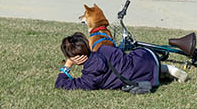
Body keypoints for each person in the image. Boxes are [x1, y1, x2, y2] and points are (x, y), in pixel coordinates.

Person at [55, 32, 188, 91]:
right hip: (146, 58)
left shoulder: (90, 77)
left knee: (132, 73)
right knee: (132, 64)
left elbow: (61, 84)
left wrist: (68, 64)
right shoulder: (104, 49)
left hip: (141, 77)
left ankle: (164, 71)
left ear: (74, 57)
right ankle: (167, 69)